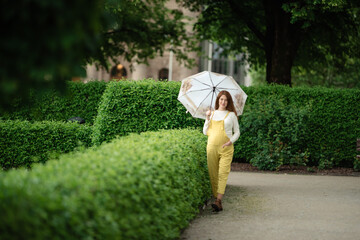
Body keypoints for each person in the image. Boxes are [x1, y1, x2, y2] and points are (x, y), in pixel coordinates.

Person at [203, 90, 240, 212]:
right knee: (213, 174)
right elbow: (205, 132)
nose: (223, 102)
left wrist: (231, 141)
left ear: (228, 102)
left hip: (226, 148)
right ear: (218, 100)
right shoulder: (211, 114)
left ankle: (218, 201)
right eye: (221, 99)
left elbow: (237, 132)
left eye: (226, 100)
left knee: (223, 174)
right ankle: (216, 198)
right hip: (211, 147)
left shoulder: (231, 115)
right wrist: (207, 118)